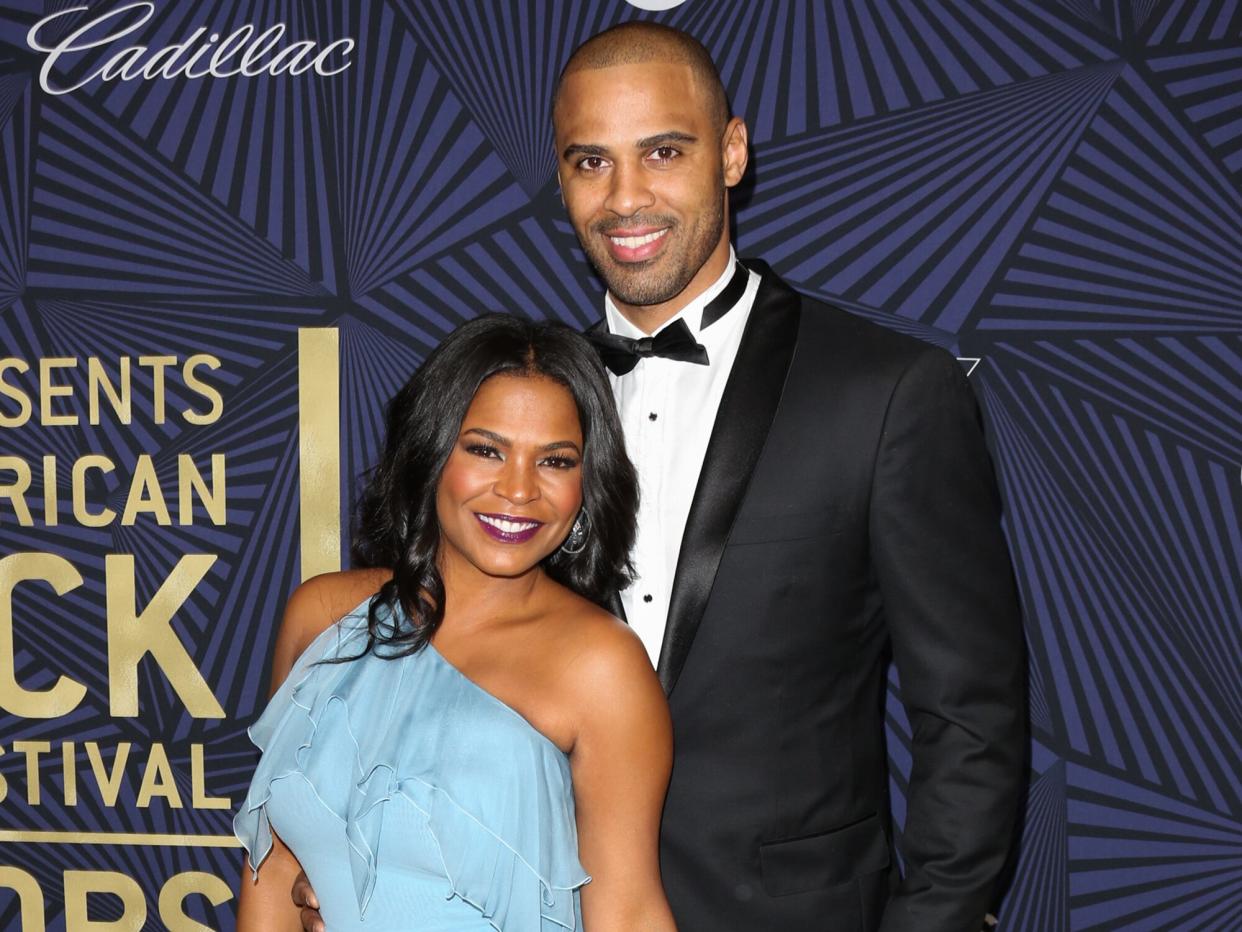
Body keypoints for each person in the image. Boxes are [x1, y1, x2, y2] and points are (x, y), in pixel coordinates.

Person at [297, 21, 1026, 932]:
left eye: (662, 152)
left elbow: (971, 716)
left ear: (731, 152)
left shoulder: (883, 393)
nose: (625, 199)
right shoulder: (523, 410)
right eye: (589, 162)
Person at [235, 315, 677, 931]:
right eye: (486, 450)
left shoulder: (600, 666)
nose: (519, 489)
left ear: (585, 484)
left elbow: (627, 913)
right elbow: (273, 864)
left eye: (554, 461)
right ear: (432, 453)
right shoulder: (322, 618)